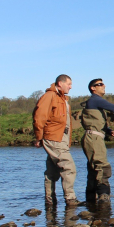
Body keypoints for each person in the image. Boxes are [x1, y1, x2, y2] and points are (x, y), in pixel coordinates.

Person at [32, 74, 77, 207]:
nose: (71, 86)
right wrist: (39, 137)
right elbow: (39, 117)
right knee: (69, 168)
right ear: (60, 83)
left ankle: (50, 201)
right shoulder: (49, 96)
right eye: (69, 84)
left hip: (60, 138)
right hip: (54, 137)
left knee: (52, 171)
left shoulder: (63, 98)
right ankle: (70, 199)